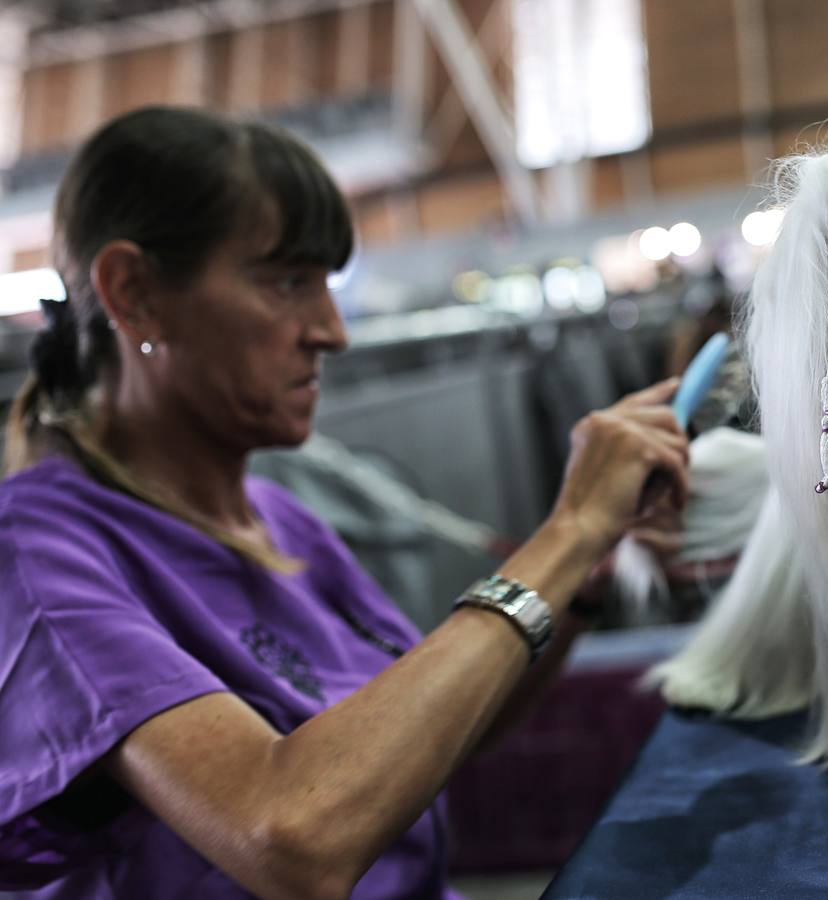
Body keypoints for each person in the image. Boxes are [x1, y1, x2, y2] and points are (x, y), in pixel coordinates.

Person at [0, 107, 689, 898]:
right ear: (136, 294)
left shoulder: (280, 521)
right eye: (287, 282)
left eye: (326, 285)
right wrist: (565, 534)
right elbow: (291, 836)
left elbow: (427, 737)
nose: (331, 331)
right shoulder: (37, 558)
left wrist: (581, 584)